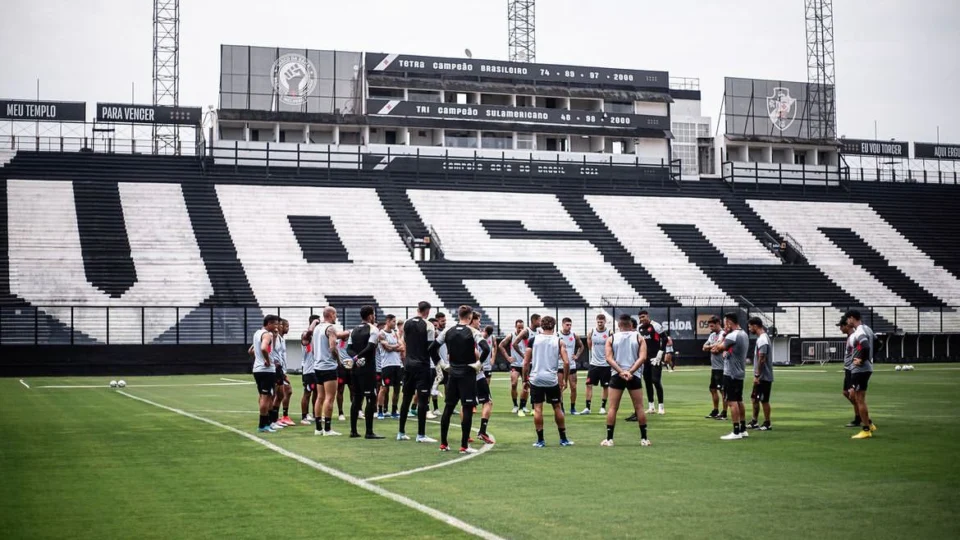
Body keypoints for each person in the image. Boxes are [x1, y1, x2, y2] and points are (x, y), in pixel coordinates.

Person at [432, 305, 489, 454]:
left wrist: (442, 364)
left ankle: (444, 443)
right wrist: (478, 364)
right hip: (467, 374)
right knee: (467, 408)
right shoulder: (473, 331)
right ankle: (464, 445)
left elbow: (432, 348)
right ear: (470, 317)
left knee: (448, 408)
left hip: (452, 373)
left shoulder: (447, 331)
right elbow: (486, 349)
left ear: (459, 315)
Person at [523, 315, 574, 448]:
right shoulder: (559, 341)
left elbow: (525, 363)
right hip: (552, 380)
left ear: (541, 325)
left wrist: (524, 379)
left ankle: (540, 440)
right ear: (554, 326)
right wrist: (565, 380)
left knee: (538, 409)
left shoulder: (533, 340)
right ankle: (563, 439)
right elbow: (567, 362)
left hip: (536, 379)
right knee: (557, 407)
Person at [601, 314, 650, 447]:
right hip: (634, 375)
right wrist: (630, 371)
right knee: (639, 407)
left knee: (612, 408)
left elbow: (608, 358)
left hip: (617, 375)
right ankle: (644, 439)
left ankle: (609, 439)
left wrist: (621, 371)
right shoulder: (639, 337)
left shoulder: (612, 338)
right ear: (631, 324)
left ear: (619, 325)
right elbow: (643, 357)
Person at [396, 301, 439, 443]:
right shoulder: (429, 325)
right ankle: (421, 435)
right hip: (422, 366)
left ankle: (401, 432)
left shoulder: (407, 323)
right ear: (427, 311)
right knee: (422, 400)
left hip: (408, 365)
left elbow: (405, 341)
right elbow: (431, 347)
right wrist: (439, 364)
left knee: (406, 399)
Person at [346, 305, 383, 439]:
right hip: (368, 368)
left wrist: (355, 358)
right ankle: (369, 431)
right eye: (373, 314)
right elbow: (370, 347)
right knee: (371, 398)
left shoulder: (353, 330)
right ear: (370, 316)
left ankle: (353, 431)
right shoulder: (373, 329)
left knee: (356, 398)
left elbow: (348, 349)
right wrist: (359, 357)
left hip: (356, 369)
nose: (374, 317)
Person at [312, 306, 350, 436]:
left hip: (317, 366)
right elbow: (333, 348)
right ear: (331, 314)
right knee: (330, 397)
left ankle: (318, 428)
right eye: (335, 314)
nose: (336, 317)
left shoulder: (317, 328)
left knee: (320, 397)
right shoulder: (331, 328)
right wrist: (339, 361)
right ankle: (327, 429)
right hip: (328, 366)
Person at [712, 313, 749, 440]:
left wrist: (723, 335)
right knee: (739, 400)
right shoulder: (743, 334)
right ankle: (743, 429)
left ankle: (736, 431)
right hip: (739, 372)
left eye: (725, 323)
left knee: (731, 402)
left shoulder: (732, 335)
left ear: (729, 322)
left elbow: (717, 348)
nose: (724, 325)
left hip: (731, 373)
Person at [846, 310, 877, 439]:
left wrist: (862, 359)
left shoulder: (859, 331)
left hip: (860, 369)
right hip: (866, 368)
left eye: (848, 319)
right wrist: (870, 358)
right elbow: (878, 343)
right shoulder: (867, 329)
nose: (848, 322)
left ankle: (866, 429)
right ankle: (869, 425)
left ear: (852, 318)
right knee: (858, 398)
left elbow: (865, 346)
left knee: (859, 399)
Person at [252, 315, 279, 433]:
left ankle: (266, 423)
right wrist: (268, 361)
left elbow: (251, 350)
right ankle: (262, 425)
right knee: (266, 397)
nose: (277, 326)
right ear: (269, 324)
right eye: (275, 324)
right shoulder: (267, 334)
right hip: (266, 370)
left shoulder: (257, 333)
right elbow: (263, 348)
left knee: (265, 397)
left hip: (257, 369)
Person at [511, 314, 542, 416]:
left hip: (536, 363)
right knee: (525, 385)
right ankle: (520, 408)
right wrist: (523, 355)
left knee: (535, 385)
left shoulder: (539, 332)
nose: (541, 322)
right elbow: (515, 343)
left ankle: (533, 408)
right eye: (539, 320)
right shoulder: (526, 331)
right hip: (527, 364)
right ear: (534, 321)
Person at [582, 313, 612, 415]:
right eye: (598, 322)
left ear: (605, 322)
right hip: (594, 364)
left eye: (601, 322)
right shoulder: (592, 331)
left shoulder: (609, 332)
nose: (600, 323)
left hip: (606, 365)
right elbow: (589, 345)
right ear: (596, 321)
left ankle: (603, 407)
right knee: (589, 385)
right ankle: (587, 407)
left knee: (605, 386)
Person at [747, 317, 773, 430]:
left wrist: (757, 375)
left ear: (755, 326)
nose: (749, 329)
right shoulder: (762, 338)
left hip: (763, 376)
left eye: (749, 326)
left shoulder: (762, 339)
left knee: (764, 400)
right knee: (755, 398)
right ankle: (754, 421)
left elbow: (762, 358)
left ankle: (767, 423)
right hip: (761, 376)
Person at [637, 310, 665, 415]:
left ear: (648, 316)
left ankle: (661, 407)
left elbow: (665, 339)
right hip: (645, 359)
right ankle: (651, 406)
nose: (642, 319)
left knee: (656, 381)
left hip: (655, 358)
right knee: (647, 381)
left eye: (643, 317)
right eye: (640, 317)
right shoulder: (639, 328)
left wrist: (661, 353)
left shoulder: (655, 326)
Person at [499, 319, 529, 416]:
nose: (520, 329)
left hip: (525, 365)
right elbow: (501, 345)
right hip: (515, 365)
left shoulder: (527, 336)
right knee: (514, 383)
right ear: (515, 327)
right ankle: (515, 405)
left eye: (522, 328)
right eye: (519, 327)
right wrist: (508, 357)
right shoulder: (511, 336)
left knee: (526, 385)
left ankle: (523, 405)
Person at [378, 315, 404, 420]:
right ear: (388, 321)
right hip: (386, 365)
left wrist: (393, 347)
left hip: (397, 365)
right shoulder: (381, 334)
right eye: (393, 321)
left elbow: (402, 347)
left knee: (397, 389)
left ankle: (394, 410)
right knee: (384, 388)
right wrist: (395, 347)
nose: (395, 324)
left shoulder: (395, 333)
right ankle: (380, 411)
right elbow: (387, 348)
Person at [702, 316, 728, 420]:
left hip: (722, 367)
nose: (710, 327)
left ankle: (724, 412)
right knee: (712, 389)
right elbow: (704, 347)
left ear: (718, 323)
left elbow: (718, 347)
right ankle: (715, 410)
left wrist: (713, 347)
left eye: (712, 325)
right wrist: (712, 347)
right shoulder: (712, 335)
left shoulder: (723, 334)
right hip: (714, 367)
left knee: (722, 390)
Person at [838, 316, 862, 428]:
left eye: (841, 326)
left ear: (847, 326)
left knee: (853, 395)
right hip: (848, 369)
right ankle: (860, 414)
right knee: (846, 393)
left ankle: (860, 417)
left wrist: (858, 362)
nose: (840, 329)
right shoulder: (850, 336)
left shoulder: (853, 337)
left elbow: (859, 349)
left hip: (852, 369)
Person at [475, 322, 496, 444]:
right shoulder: (475, 335)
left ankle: (465, 436)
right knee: (488, 402)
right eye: (478, 320)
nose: (479, 323)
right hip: (477, 373)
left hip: (462, 373)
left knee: (465, 404)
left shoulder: (457, 334)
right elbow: (482, 351)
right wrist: (479, 364)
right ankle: (482, 431)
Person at [272, 318, 295, 428]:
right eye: (285, 326)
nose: (287, 328)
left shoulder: (281, 339)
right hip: (277, 369)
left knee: (282, 393)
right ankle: (277, 417)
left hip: (281, 370)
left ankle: (277, 417)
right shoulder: (274, 338)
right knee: (281, 393)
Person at [558, 317, 584, 415]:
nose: (569, 327)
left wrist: (576, 355)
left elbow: (582, 346)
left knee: (573, 387)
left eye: (570, 325)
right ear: (562, 325)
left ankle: (573, 408)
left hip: (572, 365)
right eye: (567, 325)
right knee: (561, 387)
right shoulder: (557, 335)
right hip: (560, 365)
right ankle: (562, 408)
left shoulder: (574, 335)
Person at [300, 314, 321, 425]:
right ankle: (304, 416)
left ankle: (314, 413)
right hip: (308, 370)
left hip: (317, 369)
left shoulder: (317, 336)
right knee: (307, 392)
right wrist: (314, 323)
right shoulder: (306, 335)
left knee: (317, 393)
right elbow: (308, 333)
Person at [430, 313, 448, 418]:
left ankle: (448, 406)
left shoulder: (446, 332)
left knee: (448, 386)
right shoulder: (433, 335)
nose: (444, 322)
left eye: (445, 320)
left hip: (446, 363)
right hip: (436, 363)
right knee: (434, 386)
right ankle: (435, 408)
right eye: (442, 321)